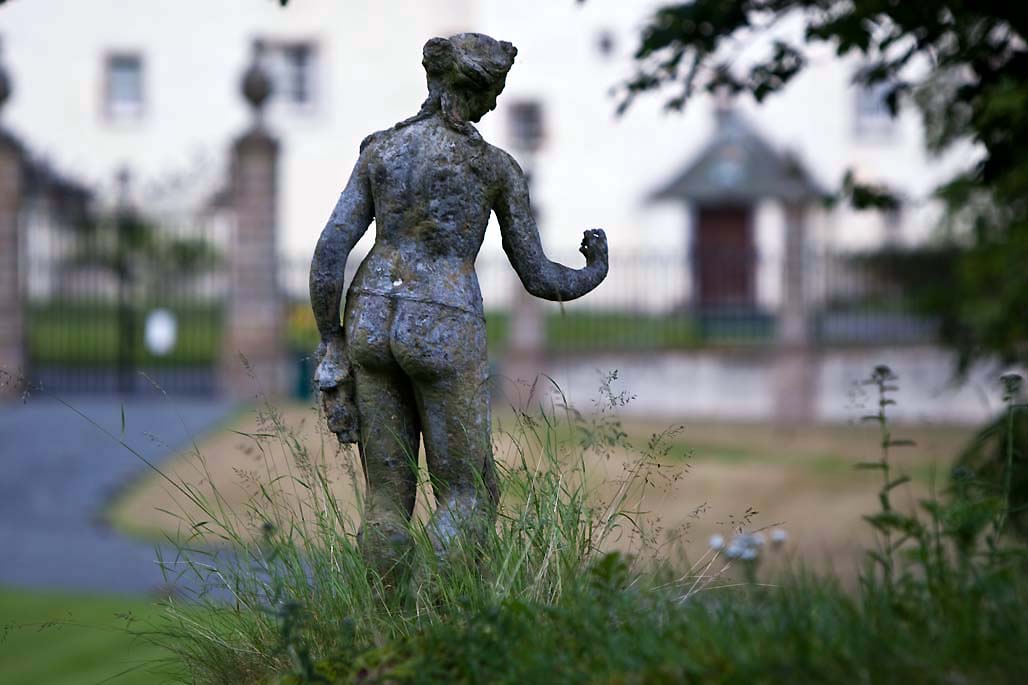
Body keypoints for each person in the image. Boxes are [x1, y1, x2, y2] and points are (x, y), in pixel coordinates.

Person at [309, 32, 608, 580]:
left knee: (386, 497)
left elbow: (331, 250)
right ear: (482, 90)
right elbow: (539, 276)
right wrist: (594, 269)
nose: (493, 106)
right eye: (495, 94)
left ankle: (384, 615)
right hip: (443, 320)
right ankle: (440, 615)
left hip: (370, 314)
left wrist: (332, 341)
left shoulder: (381, 150)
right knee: (469, 494)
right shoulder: (493, 167)